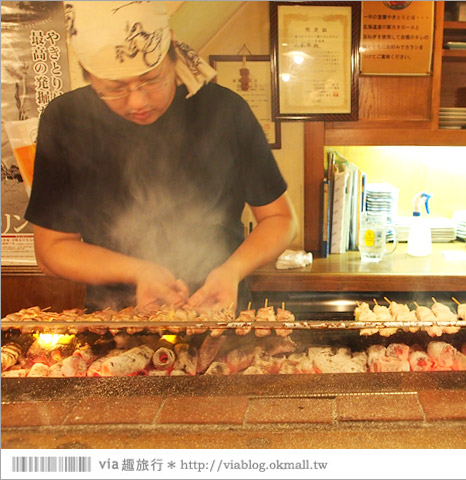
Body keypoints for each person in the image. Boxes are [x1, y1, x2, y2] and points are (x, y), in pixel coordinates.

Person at [24, 1, 297, 313]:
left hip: (219, 315)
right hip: (118, 320)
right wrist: (140, 272)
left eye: (152, 79)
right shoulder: (65, 119)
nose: (138, 101)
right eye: (115, 88)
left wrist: (232, 270)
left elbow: (280, 219)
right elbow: (51, 250)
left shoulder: (225, 110)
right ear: (90, 76)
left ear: (171, 50)